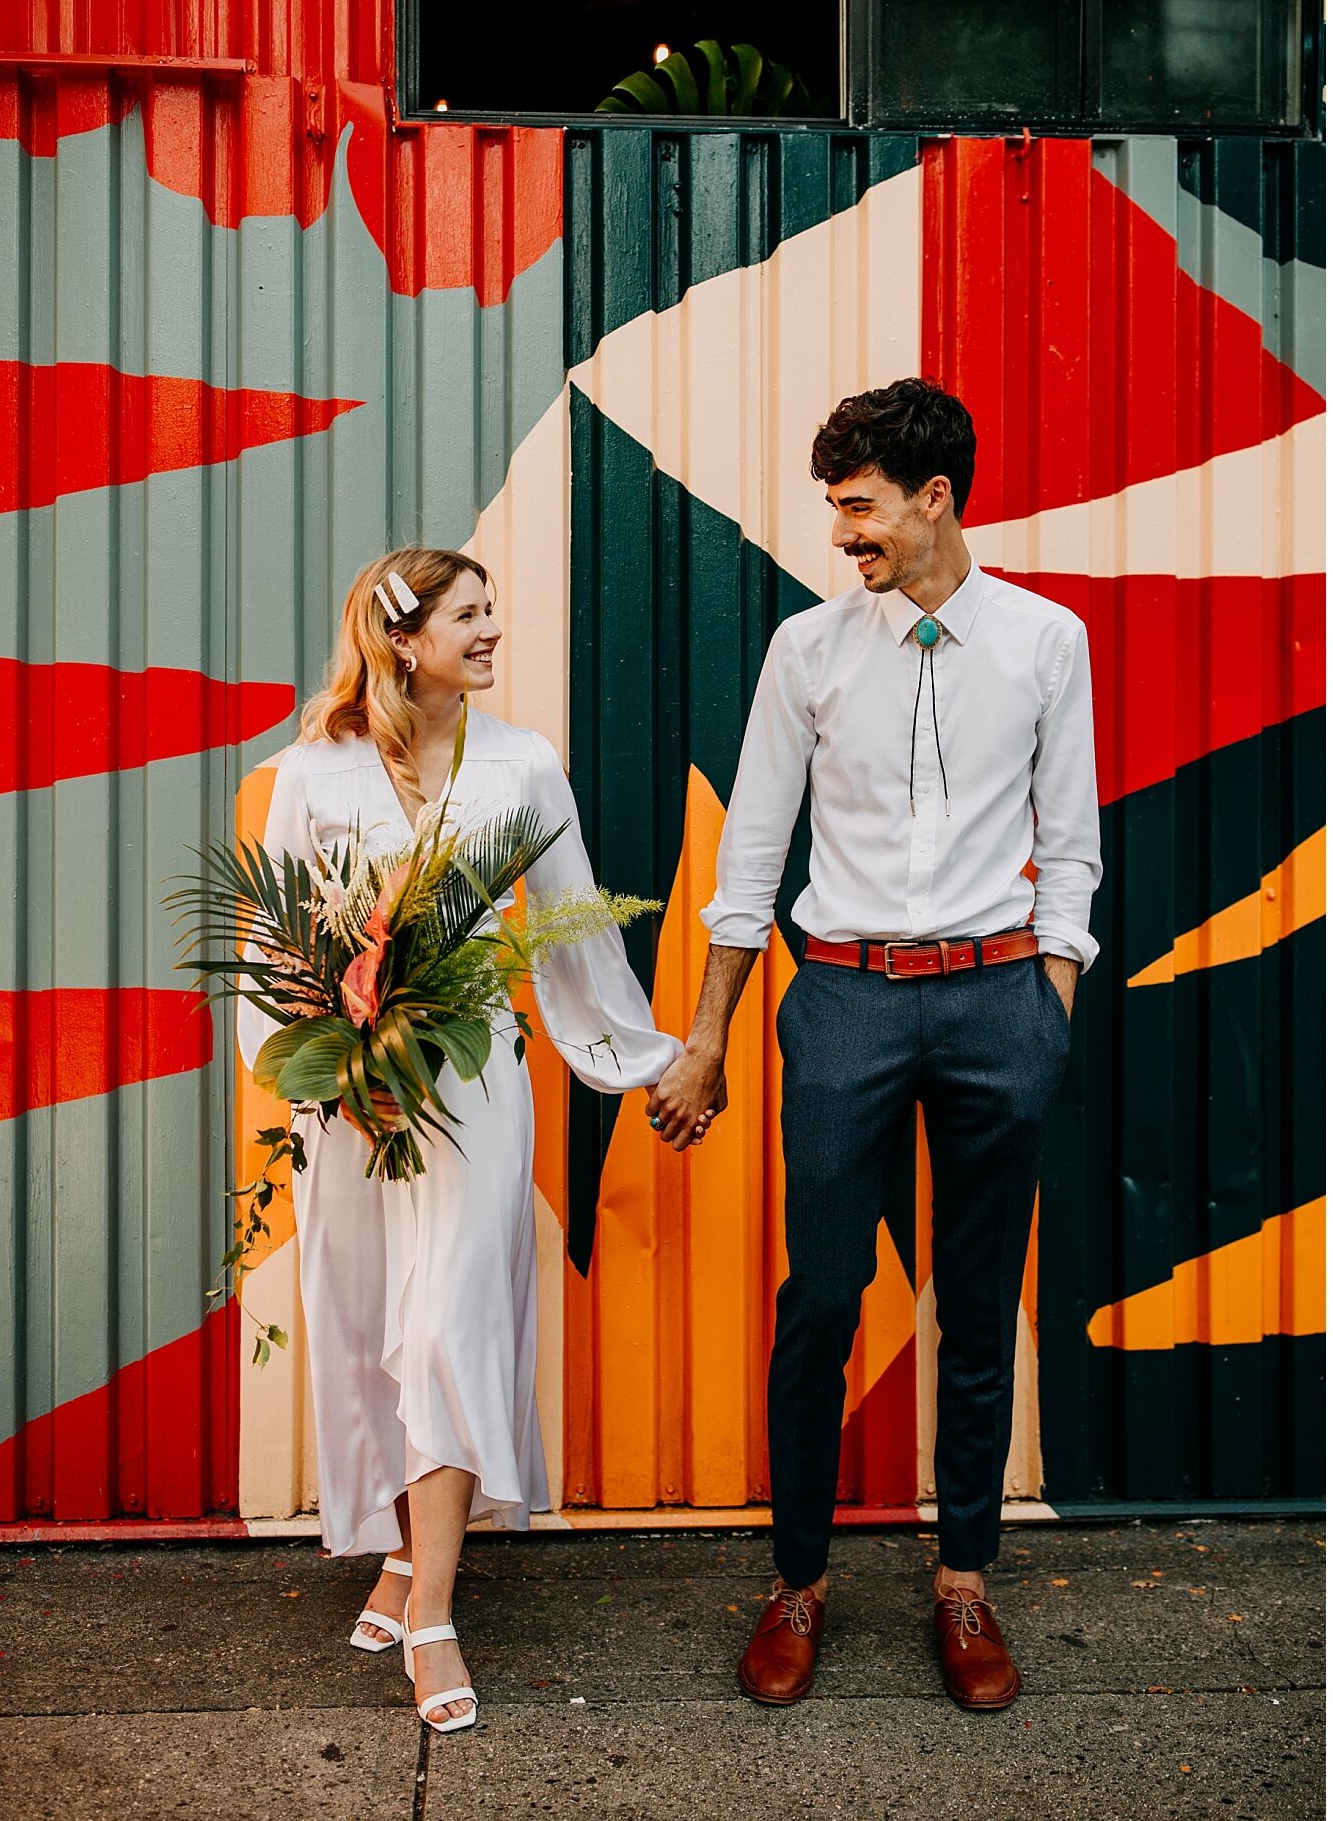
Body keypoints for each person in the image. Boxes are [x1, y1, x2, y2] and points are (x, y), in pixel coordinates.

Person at [647, 378, 1101, 1711]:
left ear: (933, 498)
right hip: (840, 1000)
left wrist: (1046, 1009)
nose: (840, 533)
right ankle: (798, 1581)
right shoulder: (806, 652)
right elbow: (748, 853)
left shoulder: (1042, 642)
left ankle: (963, 1584)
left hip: (994, 1001)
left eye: (856, 507)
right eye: (835, 508)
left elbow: (1066, 843)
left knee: (974, 1308)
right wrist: (708, 1037)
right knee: (821, 1301)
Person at [238, 547, 710, 1733]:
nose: (493, 630)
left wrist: (643, 1059)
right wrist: (326, 1075)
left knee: (449, 1319)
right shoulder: (317, 769)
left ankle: (434, 1606)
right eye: (469, 613)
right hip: (358, 1094)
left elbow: (572, 928)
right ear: (404, 640)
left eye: (493, 609)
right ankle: (401, 1556)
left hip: (475, 1078)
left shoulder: (522, 762)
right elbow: (272, 943)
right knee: (373, 1319)